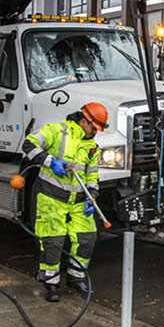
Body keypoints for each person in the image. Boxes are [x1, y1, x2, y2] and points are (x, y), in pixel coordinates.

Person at [22, 102, 108, 302]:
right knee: (53, 241)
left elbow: (92, 175)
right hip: (51, 197)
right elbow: (29, 144)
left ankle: (76, 278)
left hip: (78, 201)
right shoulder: (57, 131)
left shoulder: (92, 148)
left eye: (98, 130)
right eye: (94, 127)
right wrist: (50, 162)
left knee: (86, 238)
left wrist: (92, 195)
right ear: (84, 120)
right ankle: (51, 284)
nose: (95, 132)